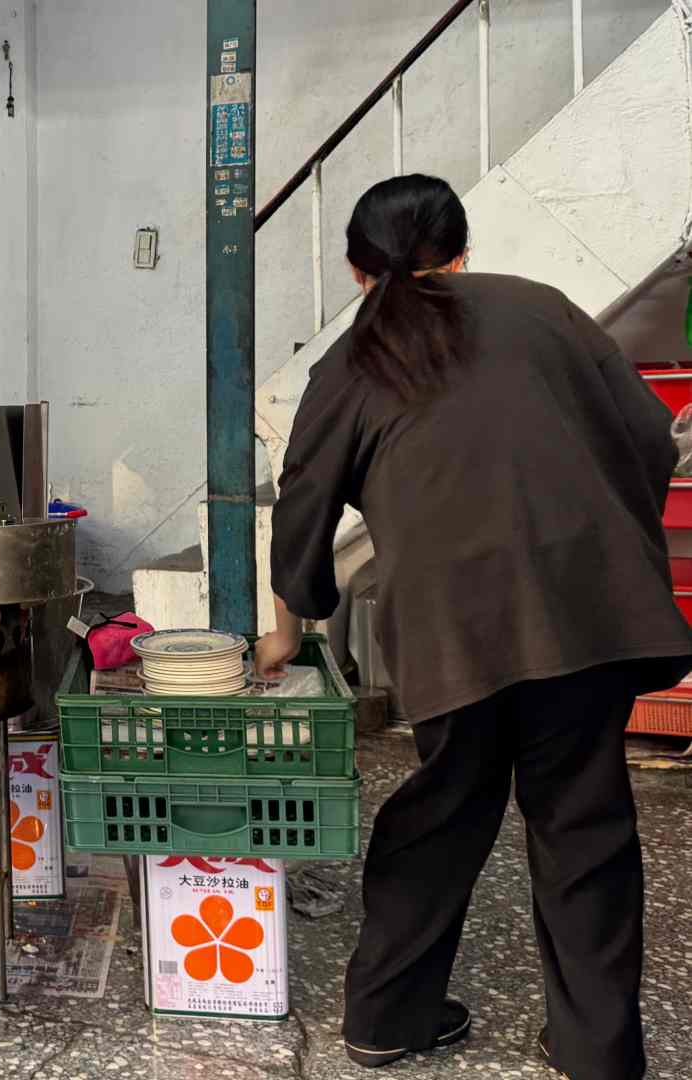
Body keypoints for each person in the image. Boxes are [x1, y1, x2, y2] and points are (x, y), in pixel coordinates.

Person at [255, 174, 692, 1080]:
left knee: (444, 810)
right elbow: (652, 439)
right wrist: (604, 545)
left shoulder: (352, 359)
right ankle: (596, 1051)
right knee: (583, 825)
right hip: (585, 613)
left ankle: (386, 1019)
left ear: (354, 266)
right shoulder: (544, 311)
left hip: (454, 630)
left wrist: (296, 614)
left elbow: (304, 498)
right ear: (461, 249)